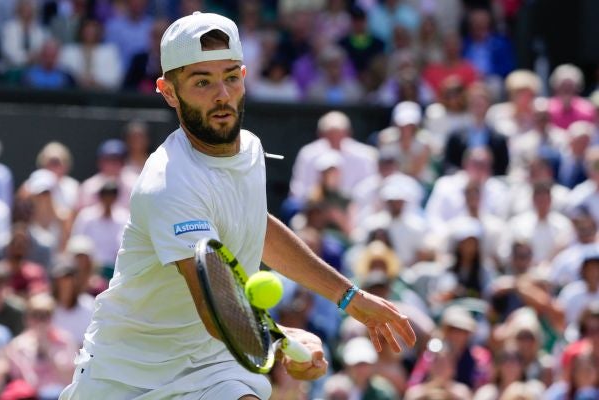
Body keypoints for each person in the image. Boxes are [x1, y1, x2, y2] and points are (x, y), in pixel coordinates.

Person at [59, 11, 415, 399]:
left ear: (244, 78)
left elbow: (254, 227)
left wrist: (350, 297)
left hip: (215, 365)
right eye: (202, 82)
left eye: (230, 77)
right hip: (126, 377)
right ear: (168, 92)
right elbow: (219, 311)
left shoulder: (250, 149)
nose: (222, 95)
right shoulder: (169, 185)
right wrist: (284, 341)